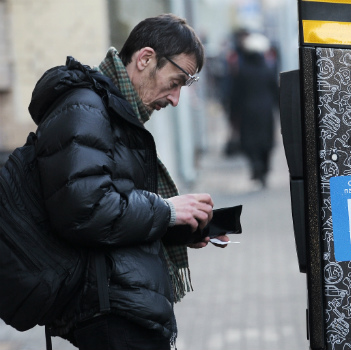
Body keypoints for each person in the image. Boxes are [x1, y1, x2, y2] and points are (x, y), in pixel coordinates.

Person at [27, 14, 228, 350]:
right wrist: (166, 211)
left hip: (125, 305)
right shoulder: (86, 109)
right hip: (111, 312)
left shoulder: (114, 114)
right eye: (176, 81)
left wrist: (182, 227)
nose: (176, 99)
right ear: (145, 58)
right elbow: (84, 209)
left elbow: (117, 204)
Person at [228, 32, 278, 187]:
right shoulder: (267, 69)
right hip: (266, 109)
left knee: (250, 141)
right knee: (266, 141)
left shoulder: (241, 72)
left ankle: (256, 165)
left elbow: (235, 94)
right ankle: (264, 169)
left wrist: (232, 113)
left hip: (247, 110)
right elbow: (275, 91)